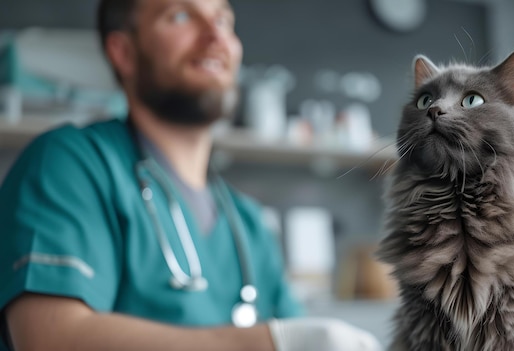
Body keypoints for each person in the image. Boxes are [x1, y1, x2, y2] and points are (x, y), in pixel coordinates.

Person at [0, 0, 383, 350]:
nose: (215, 35)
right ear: (124, 52)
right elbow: (50, 339)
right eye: (180, 15)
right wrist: (269, 343)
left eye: (223, 19)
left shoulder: (248, 224)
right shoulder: (70, 165)